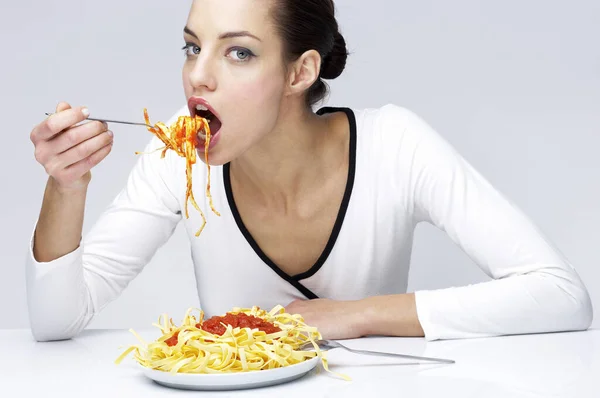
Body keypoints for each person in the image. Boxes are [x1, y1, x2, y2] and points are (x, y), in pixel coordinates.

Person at [26, 0, 592, 343]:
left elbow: (560, 295)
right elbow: (56, 321)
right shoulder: (179, 152)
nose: (198, 76)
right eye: (191, 47)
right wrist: (67, 186)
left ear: (301, 72)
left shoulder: (395, 145)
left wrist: (351, 316)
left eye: (238, 52)